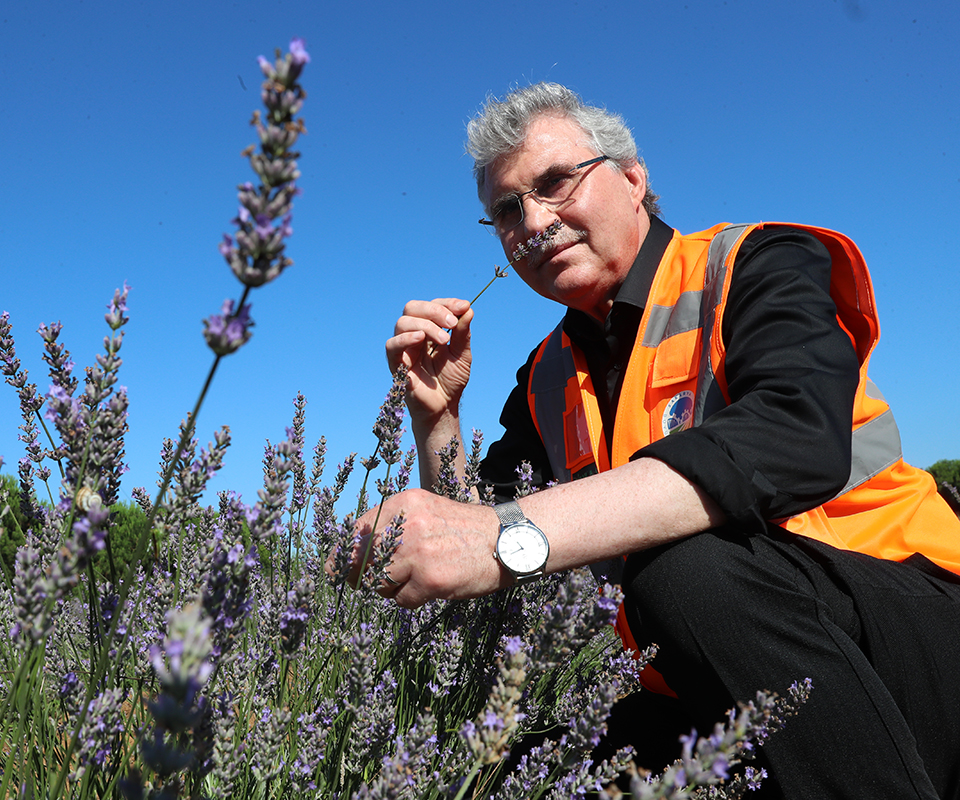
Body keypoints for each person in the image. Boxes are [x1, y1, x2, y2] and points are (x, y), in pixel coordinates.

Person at [348, 82, 960, 799]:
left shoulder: (755, 264)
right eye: (506, 211)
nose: (533, 223)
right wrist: (438, 419)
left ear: (633, 180)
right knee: (538, 763)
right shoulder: (546, 375)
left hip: (908, 627)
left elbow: (792, 432)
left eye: (553, 184)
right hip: (702, 677)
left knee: (685, 571)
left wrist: (497, 537)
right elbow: (478, 537)